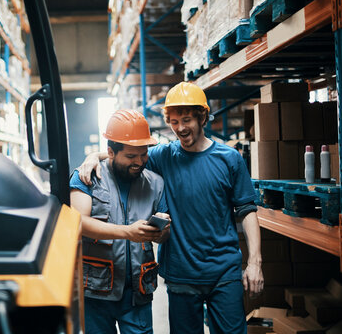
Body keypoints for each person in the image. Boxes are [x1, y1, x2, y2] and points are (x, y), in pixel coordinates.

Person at [78, 82, 264, 334]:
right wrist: (93, 157)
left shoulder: (229, 158)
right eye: (174, 122)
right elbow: (127, 153)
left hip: (224, 271)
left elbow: (247, 210)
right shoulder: (163, 156)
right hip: (180, 273)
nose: (180, 128)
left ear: (202, 117)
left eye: (186, 120)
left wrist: (255, 262)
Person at [70, 109, 171, 334]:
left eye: (143, 154)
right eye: (130, 157)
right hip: (96, 290)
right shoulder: (87, 176)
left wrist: (161, 230)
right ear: (111, 153)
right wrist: (127, 232)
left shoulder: (155, 183)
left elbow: (164, 236)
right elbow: (78, 224)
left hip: (137, 292)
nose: (139, 162)